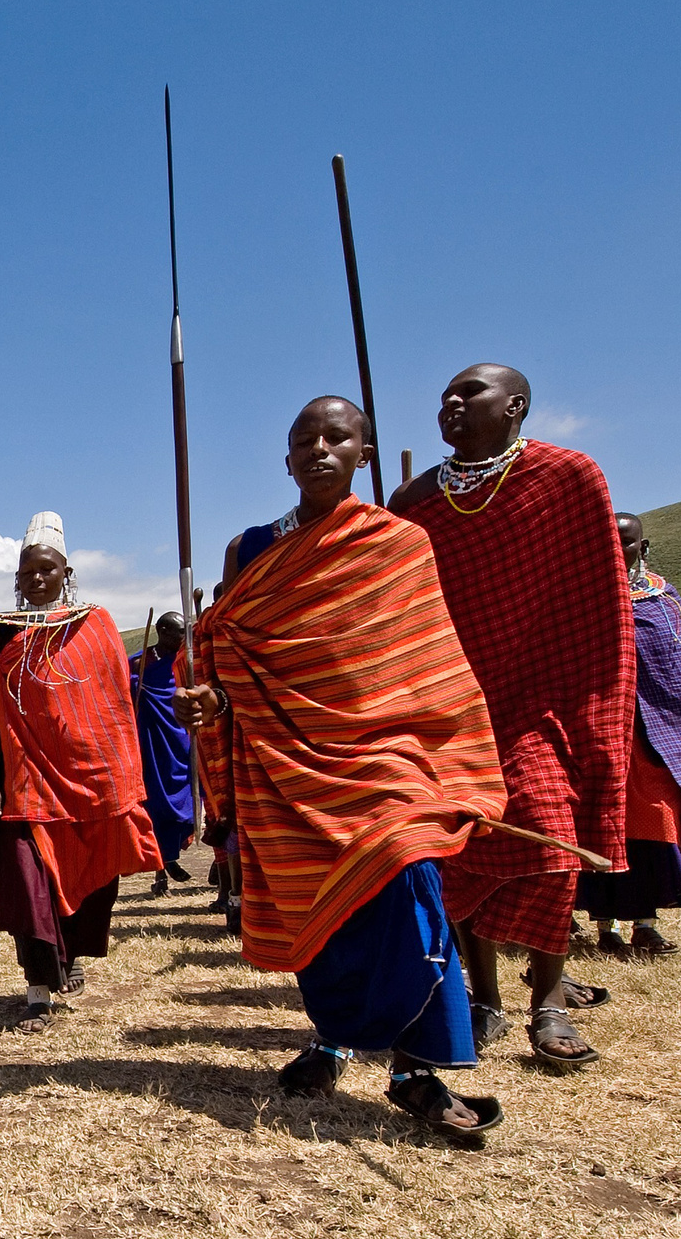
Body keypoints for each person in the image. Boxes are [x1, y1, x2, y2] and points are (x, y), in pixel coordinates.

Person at [179, 397, 510, 1138]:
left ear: (365, 451)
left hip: (384, 757)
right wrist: (215, 704)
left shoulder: (398, 543)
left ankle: (416, 1070)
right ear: (287, 458)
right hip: (282, 762)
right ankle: (328, 1040)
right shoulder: (250, 549)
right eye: (304, 439)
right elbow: (231, 660)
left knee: (408, 875)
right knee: (315, 904)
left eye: (338, 438)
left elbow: (420, 660)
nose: (319, 448)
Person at [392, 365, 633, 1070]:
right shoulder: (416, 502)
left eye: (471, 394)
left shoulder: (568, 477)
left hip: (542, 697)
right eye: (444, 398)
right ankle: (485, 996)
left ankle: (549, 1002)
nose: (452, 406)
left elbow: (597, 598)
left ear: (517, 404)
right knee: (463, 847)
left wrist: (592, 698)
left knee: (550, 839)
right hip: (451, 703)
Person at [0, 512, 161, 1029]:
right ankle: (37, 988)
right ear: (17, 576)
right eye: (26, 570)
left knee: (87, 876)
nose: (36, 577)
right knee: (25, 881)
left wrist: (117, 774)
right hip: (21, 781)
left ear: (65, 571)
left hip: (85, 782)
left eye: (46, 569)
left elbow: (113, 706)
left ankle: (70, 954)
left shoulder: (94, 624)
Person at [575, 512, 681, 956]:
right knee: (600, 823)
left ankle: (645, 923)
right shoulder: (579, 597)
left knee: (654, 821)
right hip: (598, 731)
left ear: (642, 548)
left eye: (625, 543)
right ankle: (606, 929)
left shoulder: (664, 600)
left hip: (652, 738)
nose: (616, 550)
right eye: (606, 541)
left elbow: (680, 672)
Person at [131, 613, 197, 896]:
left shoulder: (188, 661)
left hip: (183, 743)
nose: (185, 638)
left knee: (189, 806)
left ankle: (171, 857)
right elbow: (123, 698)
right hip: (153, 746)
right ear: (163, 631)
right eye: (180, 632)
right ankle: (161, 873)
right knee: (156, 809)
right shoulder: (140, 663)